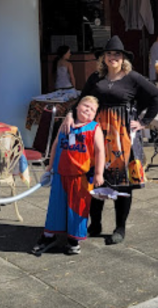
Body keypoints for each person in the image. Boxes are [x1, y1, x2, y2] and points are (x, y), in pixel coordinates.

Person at [62, 36, 158, 245]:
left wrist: (144, 121)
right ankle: (95, 224)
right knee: (95, 179)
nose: (113, 57)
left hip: (123, 136)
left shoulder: (133, 77)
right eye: (109, 53)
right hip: (96, 134)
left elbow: (156, 96)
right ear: (104, 58)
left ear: (123, 58)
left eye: (117, 54)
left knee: (122, 183)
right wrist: (71, 114)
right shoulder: (96, 78)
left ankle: (120, 227)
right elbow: (83, 100)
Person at [31, 95, 105, 256]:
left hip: (81, 177)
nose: (88, 110)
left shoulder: (94, 128)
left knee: (78, 209)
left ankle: (73, 239)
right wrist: (50, 167)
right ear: (77, 107)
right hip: (60, 173)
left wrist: (99, 173)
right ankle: (49, 235)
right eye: (86, 106)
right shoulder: (66, 125)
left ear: (95, 114)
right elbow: (56, 144)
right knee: (56, 207)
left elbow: (100, 151)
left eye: (92, 109)